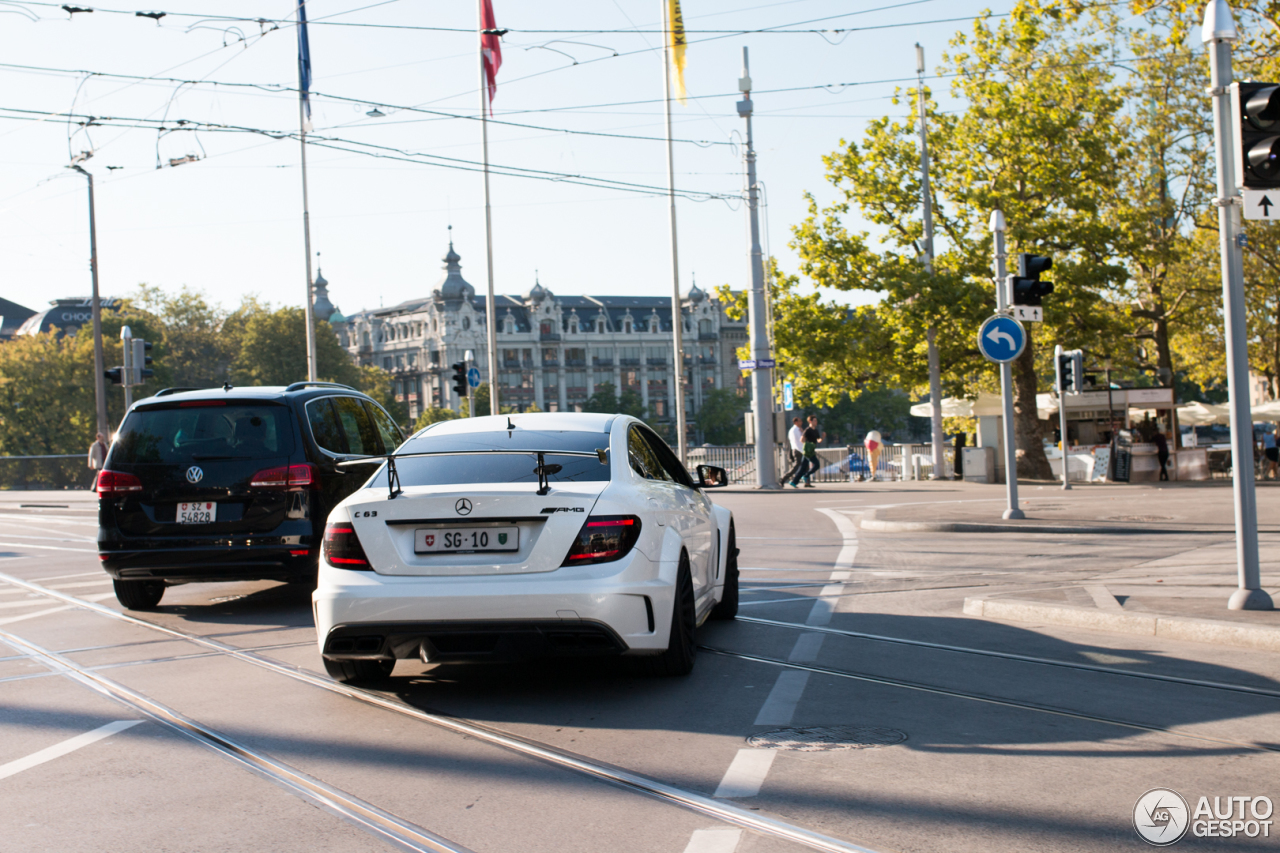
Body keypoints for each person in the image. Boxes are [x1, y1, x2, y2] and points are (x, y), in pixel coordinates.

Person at [789, 415, 822, 488]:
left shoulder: (816, 431)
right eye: (815, 420)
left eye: (816, 420)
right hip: (808, 451)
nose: (816, 422)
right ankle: (806, 475)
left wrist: (822, 437)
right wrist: (808, 445)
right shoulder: (808, 430)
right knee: (817, 464)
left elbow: (818, 440)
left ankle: (794, 482)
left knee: (802, 467)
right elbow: (802, 439)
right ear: (810, 421)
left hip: (811, 451)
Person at [783, 416, 805, 485]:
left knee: (804, 466)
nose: (801, 422)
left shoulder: (798, 430)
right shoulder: (795, 430)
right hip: (798, 450)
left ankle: (796, 480)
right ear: (796, 422)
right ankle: (784, 479)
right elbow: (800, 441)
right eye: (800, 421)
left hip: (799, 450)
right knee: (796, 467)